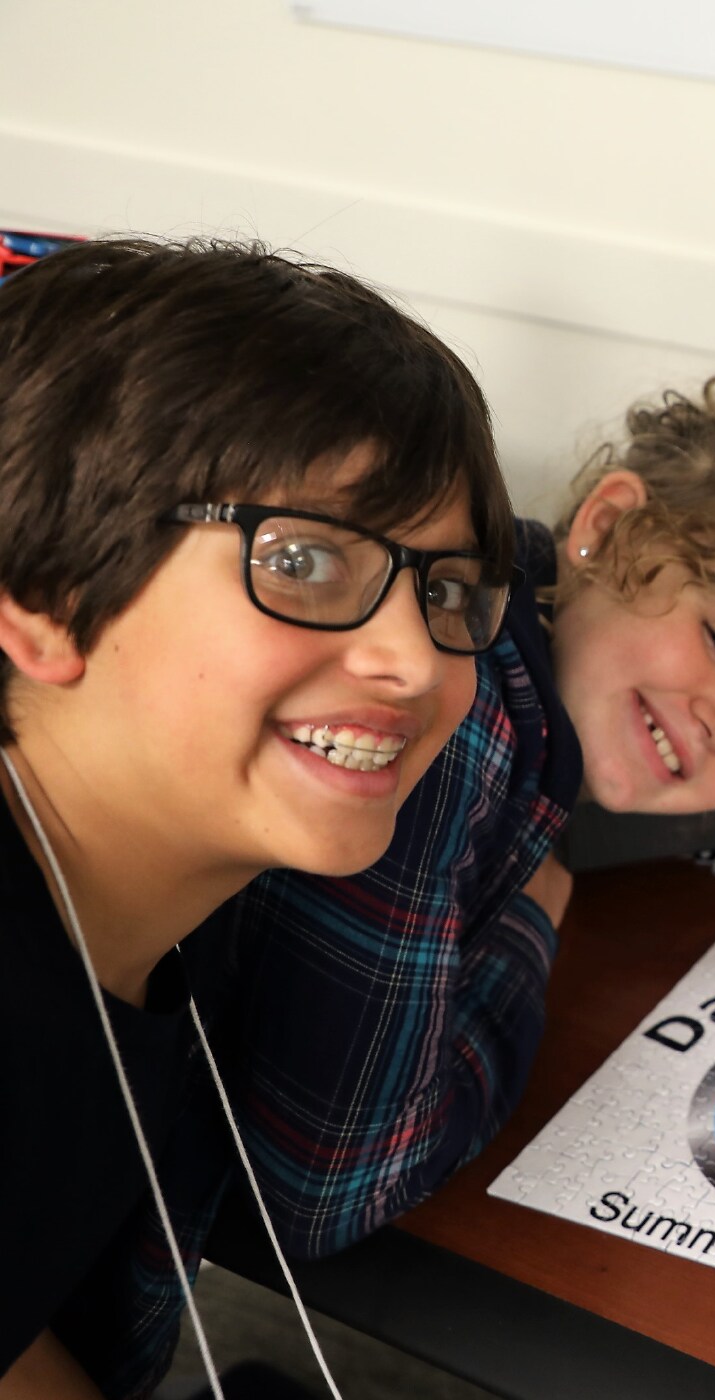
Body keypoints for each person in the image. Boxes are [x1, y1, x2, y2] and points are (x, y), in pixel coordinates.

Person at [101, 367, 715, 1395]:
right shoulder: (451, 732)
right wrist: (533, 926)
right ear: (608, 528)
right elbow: (321, 1193)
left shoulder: (511, 631)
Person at [0, 237, 515, 1397]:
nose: (411, 660)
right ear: (44, 599)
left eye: (446, 590)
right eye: (302, 561)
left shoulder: (156, 916)